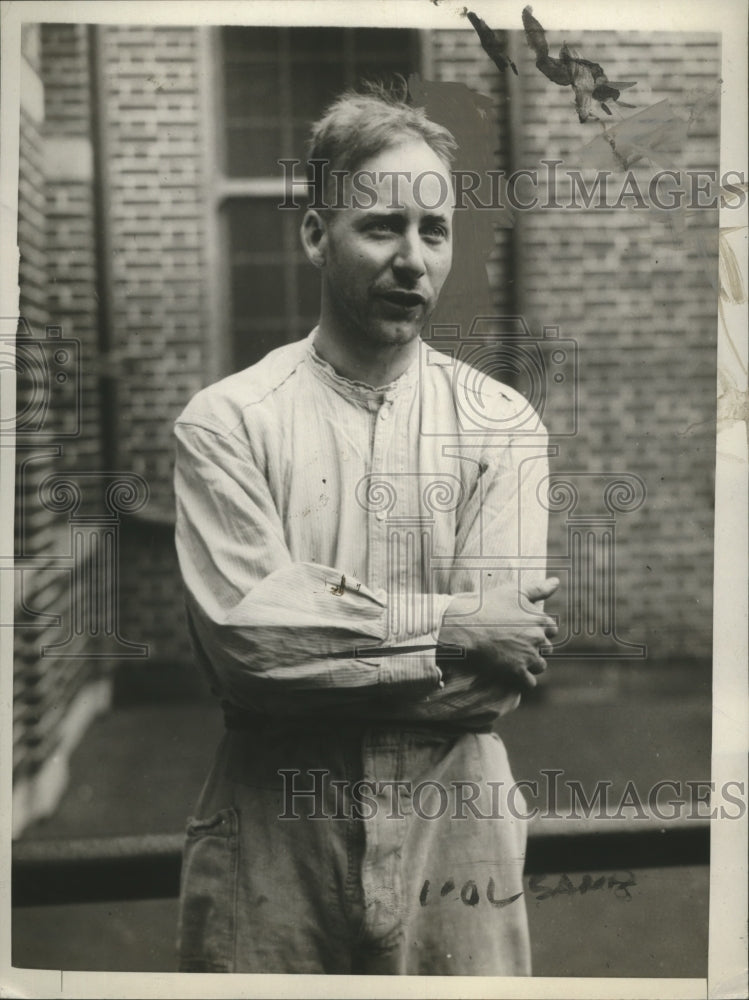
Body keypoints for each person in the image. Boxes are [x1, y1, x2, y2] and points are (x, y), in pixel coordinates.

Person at [173, 82, 558, 976]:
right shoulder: (228, 422)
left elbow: (490, 693)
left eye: (434, 232)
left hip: (453, 840)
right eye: (381, 227)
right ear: (317, 235)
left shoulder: (502, 424)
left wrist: (314, 654)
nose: (413, 260)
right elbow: (247, 646)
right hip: (274, 840)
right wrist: (452, 626)